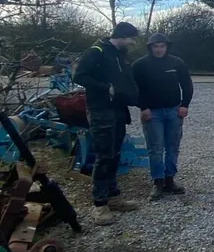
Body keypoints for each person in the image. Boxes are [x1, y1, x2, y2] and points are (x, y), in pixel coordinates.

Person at [73, 22, 142, 225]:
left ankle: (113, 196)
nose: (133, 43)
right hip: (100, 110)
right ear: (121, 36)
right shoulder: (97, 51)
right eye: (131, 38)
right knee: (104, 156)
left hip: (118, 109)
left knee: (115, 153)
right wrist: (105, 88)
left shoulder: (119, 54)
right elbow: (79, 76)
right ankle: (99, 205)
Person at [132, 33, 193, 200]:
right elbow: (135, 88)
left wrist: (185, 105)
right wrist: (143, 107)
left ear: (167, 47)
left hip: (174, 111)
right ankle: (157, 182)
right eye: (156, 46)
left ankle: (170, 180)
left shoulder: (177, 63)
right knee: (155, 148)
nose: (159, 49)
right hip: (152, 113)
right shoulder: (140, 65)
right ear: (150, 47)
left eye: (162, 46)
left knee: (173, 147)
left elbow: (187, 85)